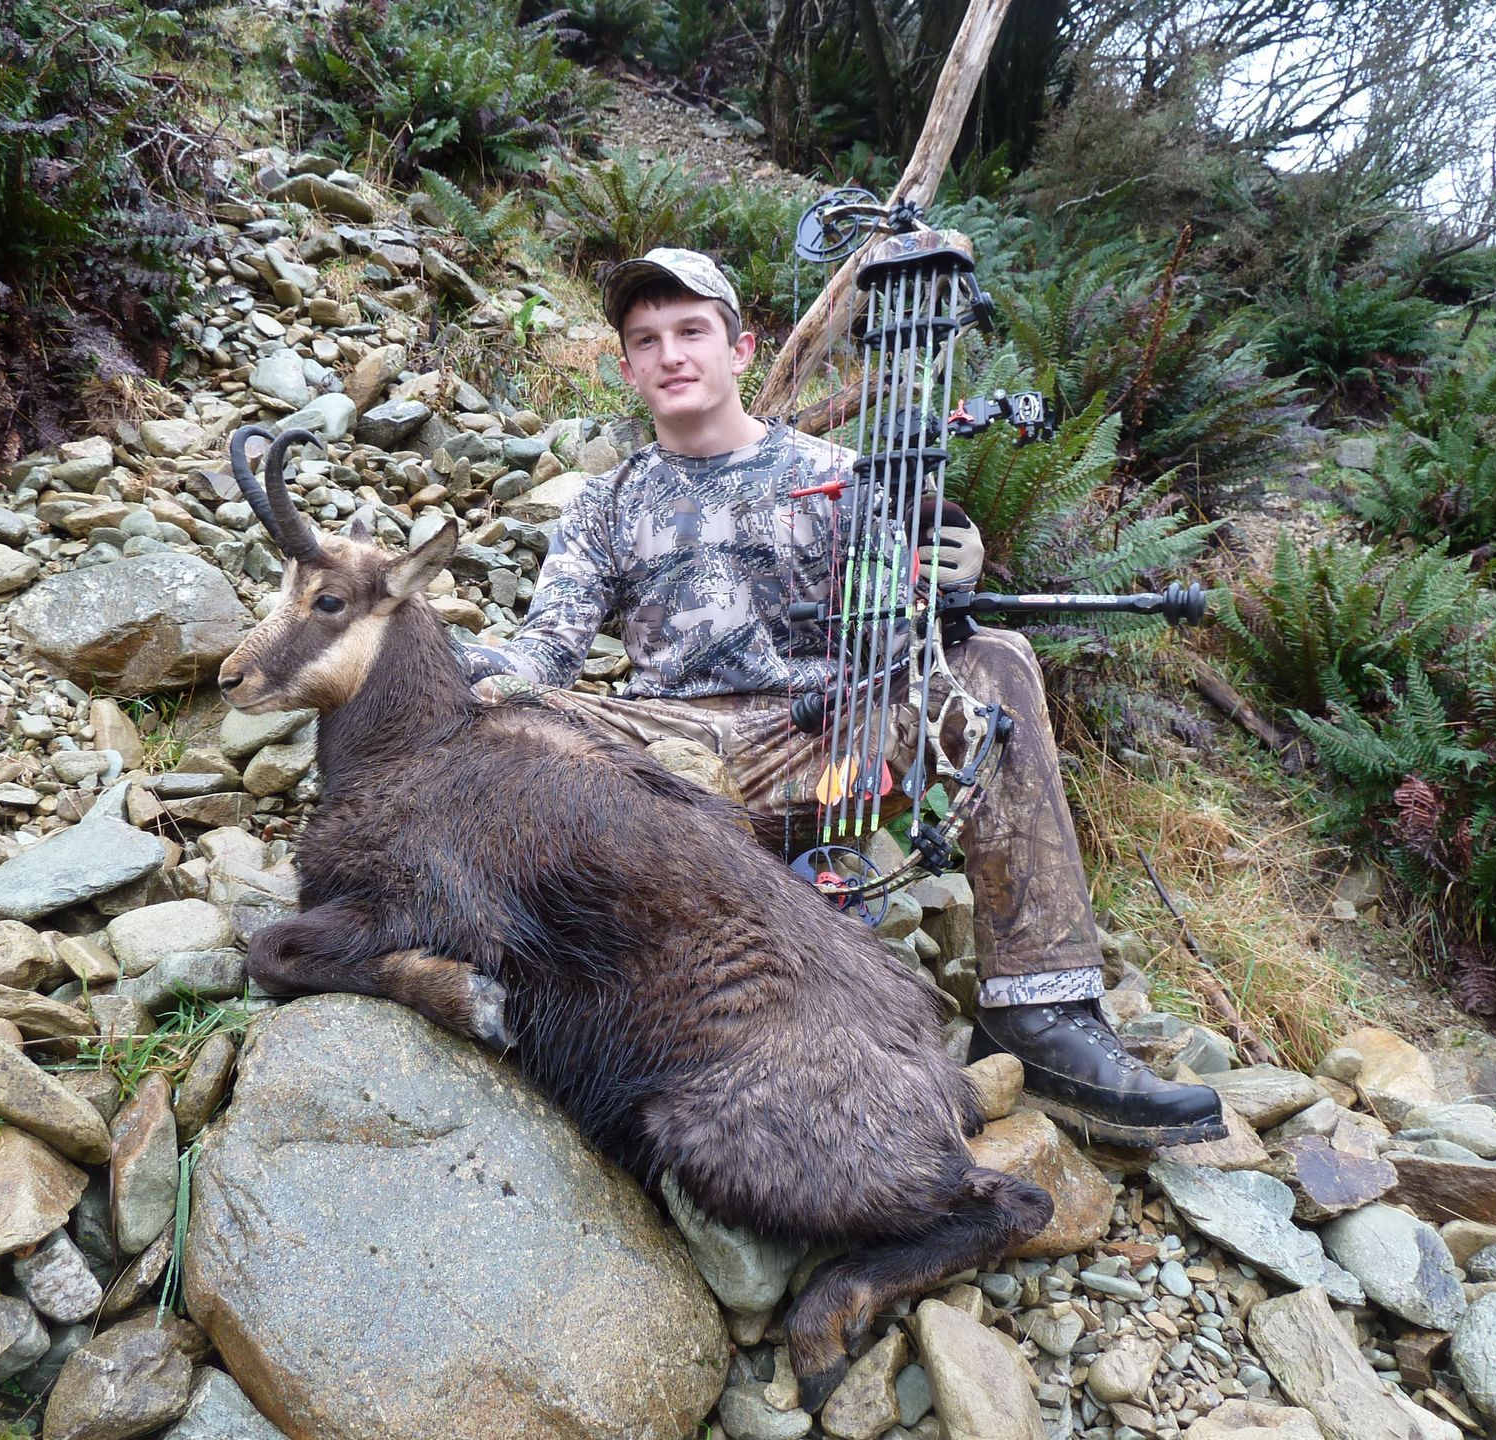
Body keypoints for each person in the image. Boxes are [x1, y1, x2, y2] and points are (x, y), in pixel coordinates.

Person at [458, 247, 1225, 1149]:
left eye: (691, 332)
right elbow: (546, 651)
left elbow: (915, 635)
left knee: (997, 661)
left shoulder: (850, 475)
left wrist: (952, 568)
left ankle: (1039, 1012)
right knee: (508, 716)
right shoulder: (606, 502)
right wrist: (448, 660)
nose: (671, 354)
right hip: (670, 771)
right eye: (647, 340)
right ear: (626, 368)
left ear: (741, 349)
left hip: (826, 747)